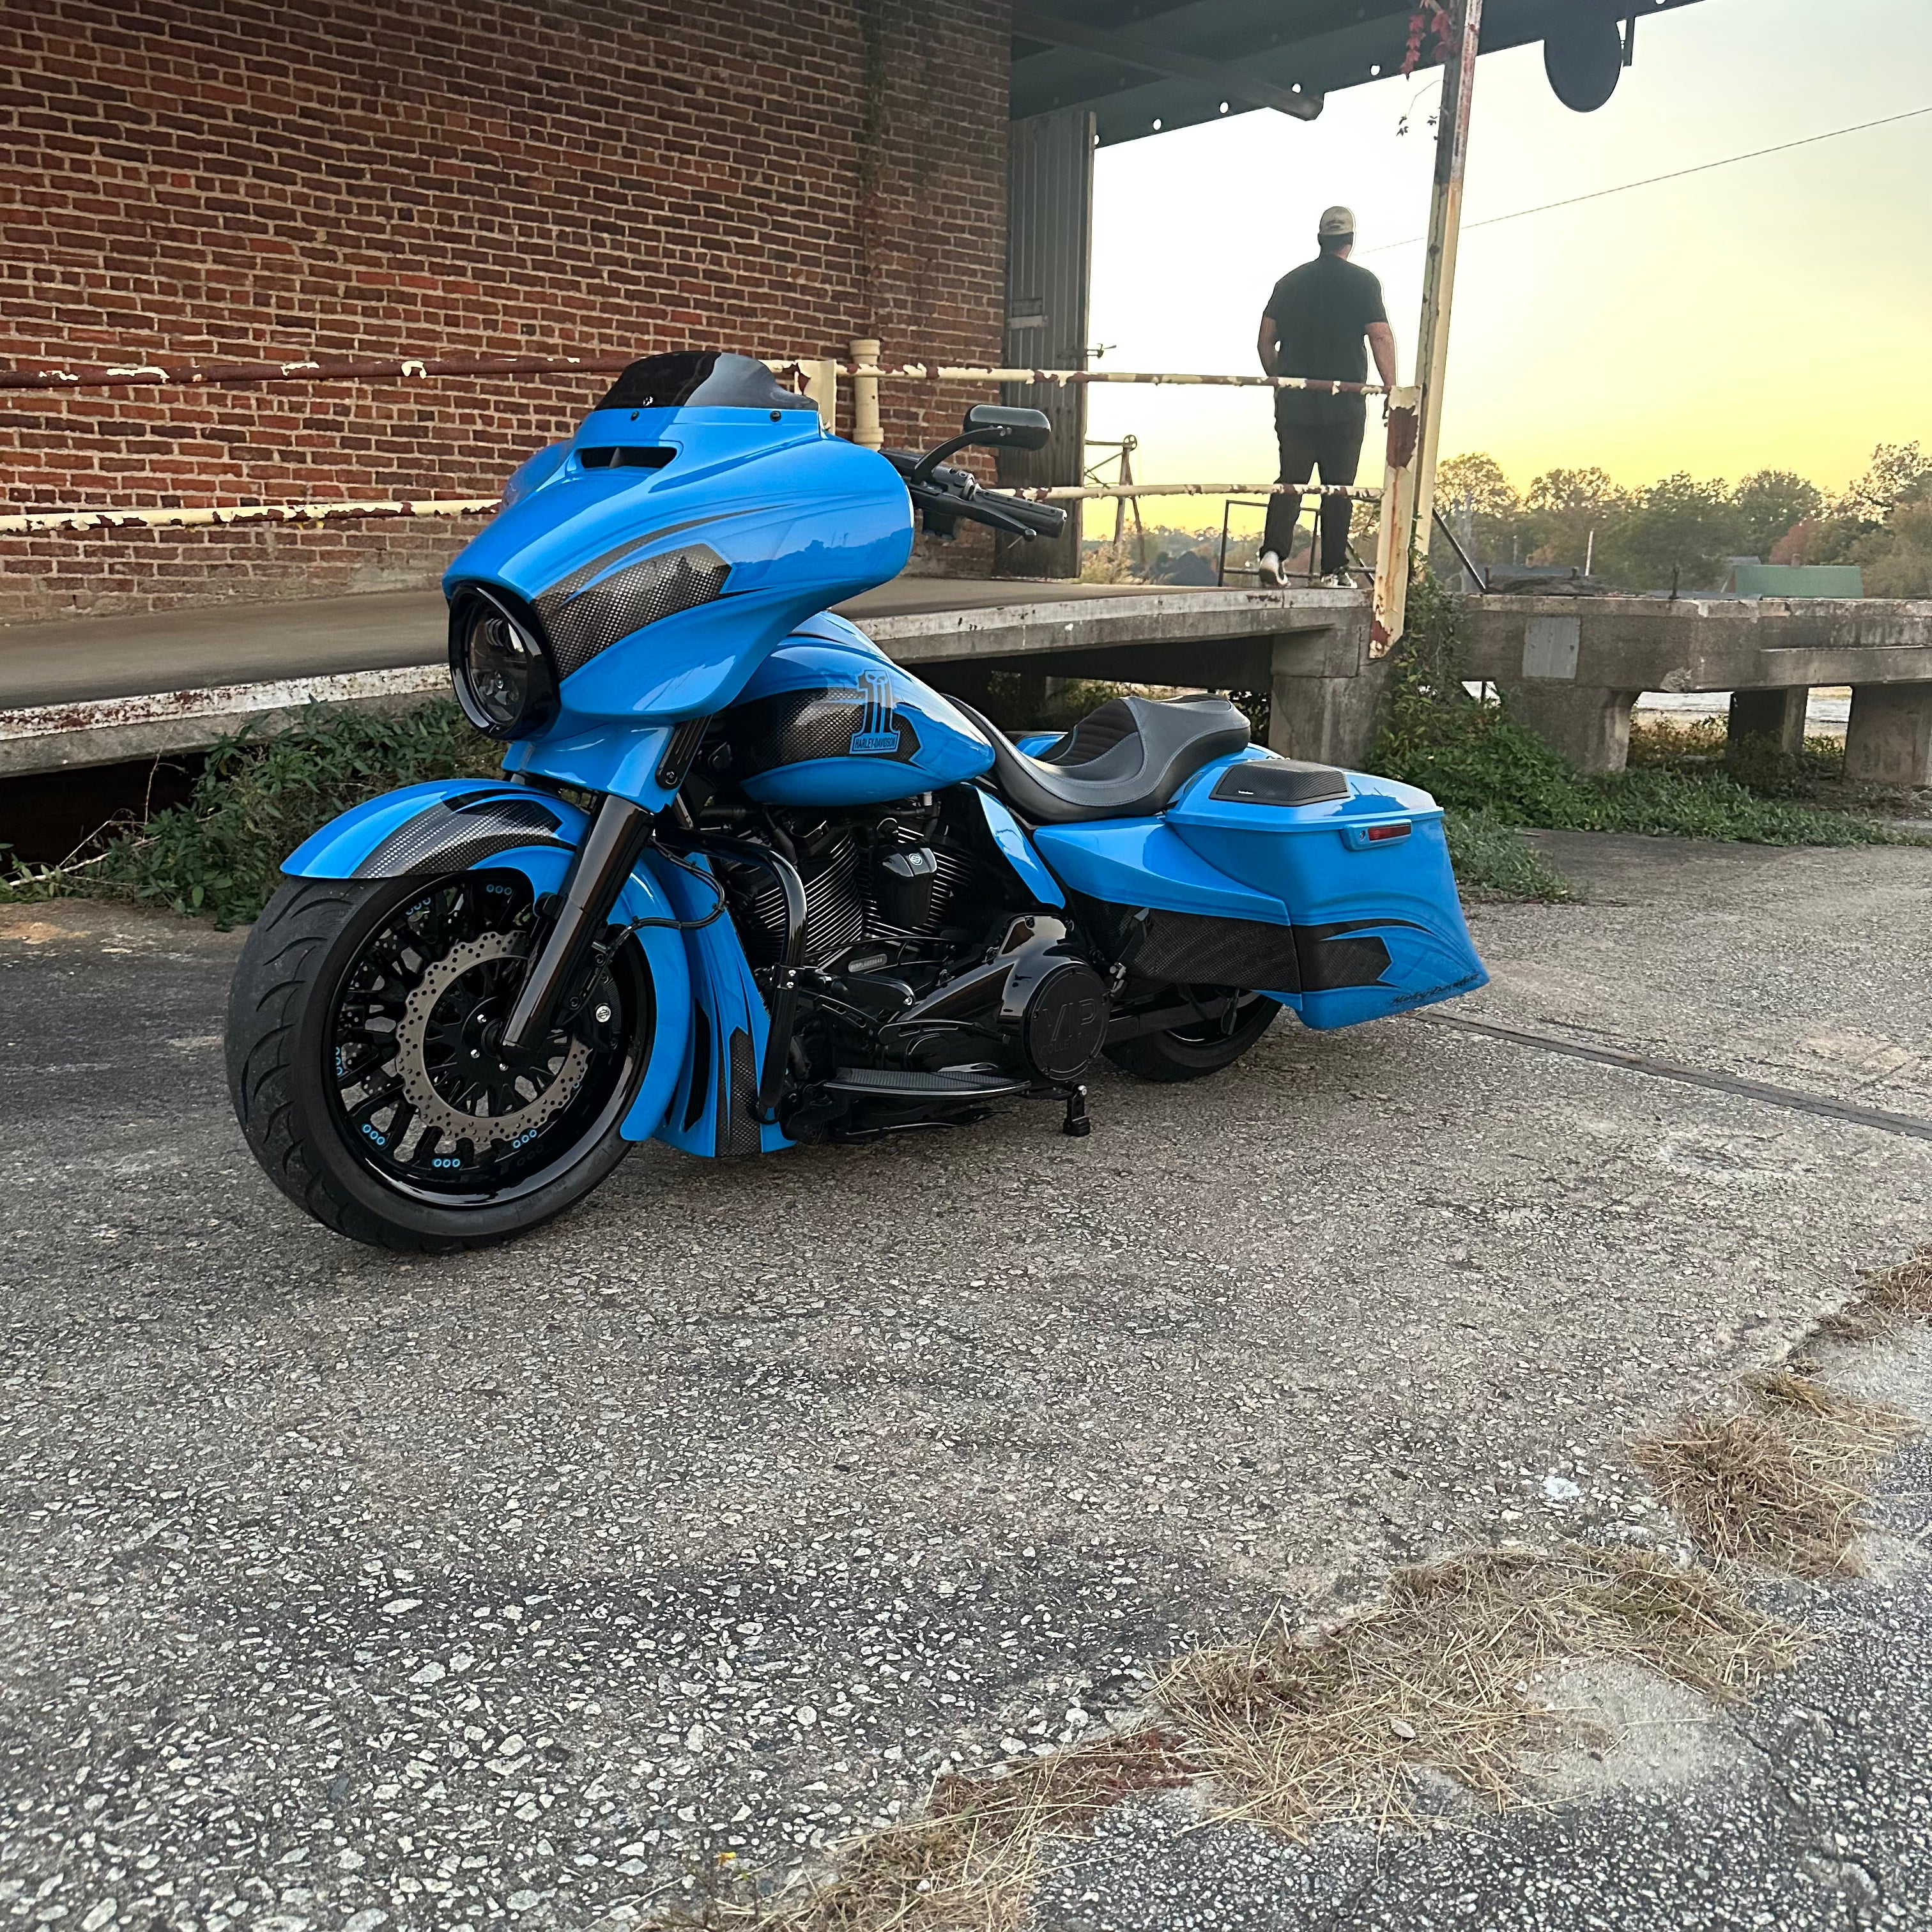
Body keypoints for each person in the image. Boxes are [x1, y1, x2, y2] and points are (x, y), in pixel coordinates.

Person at [1255, 205, 1399, 588]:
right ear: (1349, 242)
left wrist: (1281, 380)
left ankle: (1273, 554)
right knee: (1338, 487)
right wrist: (1390, 390)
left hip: (1296, 402)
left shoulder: (1289, 283)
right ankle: (1334, 570)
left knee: (1292, 479)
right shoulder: (1363, 282)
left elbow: (1265, 339)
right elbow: (1381, 335)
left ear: (1320, 240)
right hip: (1345, 402)